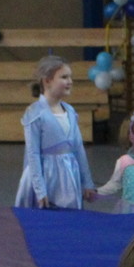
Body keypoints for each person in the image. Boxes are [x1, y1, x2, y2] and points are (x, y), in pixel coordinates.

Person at [15, 56, 96, 210]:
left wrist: (87, 182)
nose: (70, 81)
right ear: (47, 81)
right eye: (64, 77)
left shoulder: (70, 111)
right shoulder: (35, 113)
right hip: (47, 178)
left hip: (68, 178)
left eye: (70, 77)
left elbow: (79, 149)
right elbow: (33, 154)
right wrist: (40, 190)